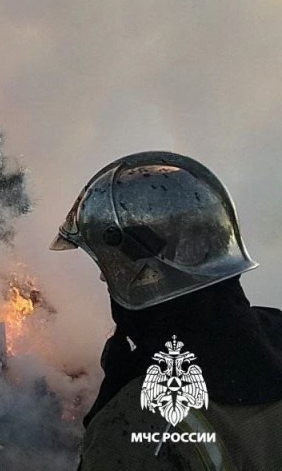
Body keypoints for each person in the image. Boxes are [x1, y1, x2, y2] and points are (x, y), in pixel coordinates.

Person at [50, 151, 282, 470]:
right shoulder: (275, 332)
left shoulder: (133, 426)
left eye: (109, 267)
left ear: (143, 277)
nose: (104, 277)